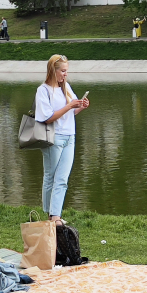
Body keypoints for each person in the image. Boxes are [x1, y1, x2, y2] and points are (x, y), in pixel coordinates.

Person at [35, 54, 90, 226]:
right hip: (53, 137)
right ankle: (51, 214)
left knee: (63, 177)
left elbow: (70, 113)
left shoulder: (66, 88)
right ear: (53, 71)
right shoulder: (43, 90)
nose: (65, 74)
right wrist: (69, 105)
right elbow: (47, 117)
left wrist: (80, 107)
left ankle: (54, 215)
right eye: (63, 71)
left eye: (67, 71)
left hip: (69, 136)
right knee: (51, 175)